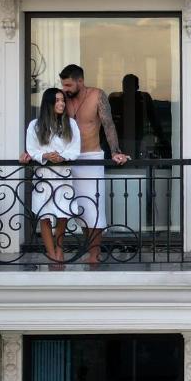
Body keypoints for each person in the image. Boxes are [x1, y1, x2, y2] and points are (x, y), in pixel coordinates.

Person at [59, 64, 129, 266]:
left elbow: (108, 124)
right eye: (63, 85)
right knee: (78, 208)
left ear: (80, 81)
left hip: (91, 157)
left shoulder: (97, 95)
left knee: (94, 208)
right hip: (67, 159)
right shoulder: (63, 99)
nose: (65, 89)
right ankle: (87, 247)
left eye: (69, 85)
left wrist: (115, 151)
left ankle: (94, 253)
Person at [24, 88, 80, 269]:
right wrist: (47, 155)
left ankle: (59, 248)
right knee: (45, 215)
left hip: (63, 175)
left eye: (63, 100)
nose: (61, 103)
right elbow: (32, 149)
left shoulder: (70, 124)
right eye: (57, 100)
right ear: (48, 103)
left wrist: (62, 157)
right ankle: (52, 254)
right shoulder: (35, 125)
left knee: (63, 214)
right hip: (44, 177)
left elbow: (75, 148)